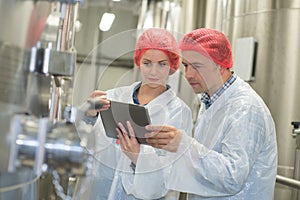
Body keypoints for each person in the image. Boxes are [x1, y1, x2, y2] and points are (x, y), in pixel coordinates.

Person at [142, 28, 278, 199]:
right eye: (186, 66)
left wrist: (185, 146)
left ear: (220, 65)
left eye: (197, 66)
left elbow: (232, 177)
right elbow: (202, 166)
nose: (189, 74)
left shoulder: (244, 108)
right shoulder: (209, 101)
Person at [78, 28, 193, 200]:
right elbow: (81, 146)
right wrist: (87, 115)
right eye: (147, 63)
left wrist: (139, 157)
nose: (154, 72)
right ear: (139, 62)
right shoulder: (112, 97)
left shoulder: (179, 113)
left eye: (162, 64)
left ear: (172, 67)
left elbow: (173, 172)